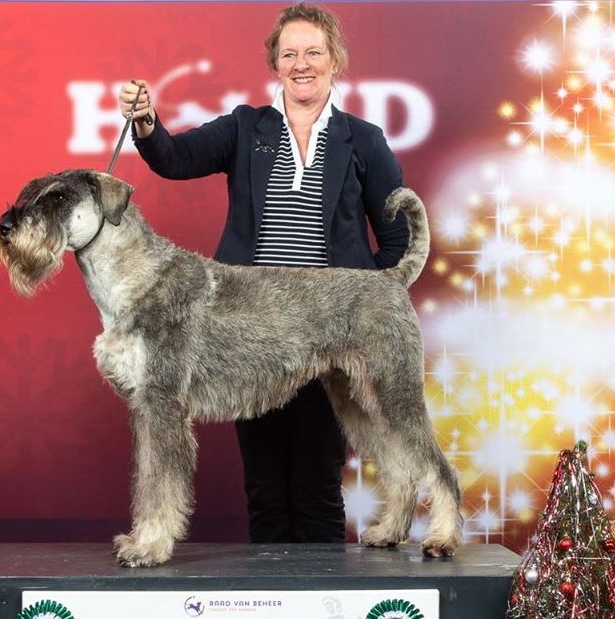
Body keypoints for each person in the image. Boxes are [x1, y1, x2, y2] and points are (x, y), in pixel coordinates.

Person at [117, 2, 409, 544]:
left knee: (320, 490)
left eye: (313, 52)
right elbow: (174, 158)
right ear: (274, 63)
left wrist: (362, 308)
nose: (302, 64)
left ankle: (323, 587)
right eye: (289, 54)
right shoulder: (245, 127)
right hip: (248, 333)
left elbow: (398, 238)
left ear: (335, 60)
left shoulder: (363, 138)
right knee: (265, 491)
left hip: (329, 330)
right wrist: (146, 122)